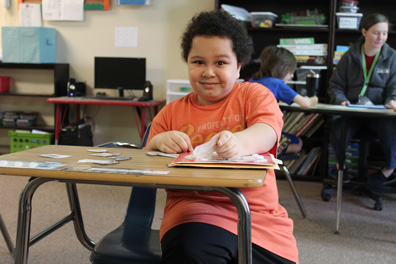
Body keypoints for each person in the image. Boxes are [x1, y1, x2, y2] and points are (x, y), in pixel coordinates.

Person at [145, 10, 298, 264]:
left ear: (238, 66)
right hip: (194, 213)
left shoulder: (254, 95)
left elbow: (268, 130)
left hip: (257, 216)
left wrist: (239, 142)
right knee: (191, 252)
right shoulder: (171, 112)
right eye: (198, 62)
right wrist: (158, 143)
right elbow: (148, 158)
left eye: (220, 63)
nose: (208, 72)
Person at [328, 13, 396, 185]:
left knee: (391, 130)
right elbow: (335, 85)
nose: (381, 38)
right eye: (376, 32)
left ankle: (389, 169)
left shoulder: (393, 57)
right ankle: (341, 168)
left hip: (380, 111)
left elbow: (395, 86)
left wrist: (393, 100)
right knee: (338, 129)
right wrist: (341, 99)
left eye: (385, 33)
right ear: (364, 32)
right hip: (353, 110)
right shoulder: (349, 56)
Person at [250, 45, 318, 155]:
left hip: (250, 132)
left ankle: (264, 149)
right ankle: (271, 151)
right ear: (282, 69)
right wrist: (314, 99)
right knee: (298, 143)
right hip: (267, 132)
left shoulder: (253, 80)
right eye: (291, 71)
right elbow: (305, 103)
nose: (291, 76)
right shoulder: (277, 84)